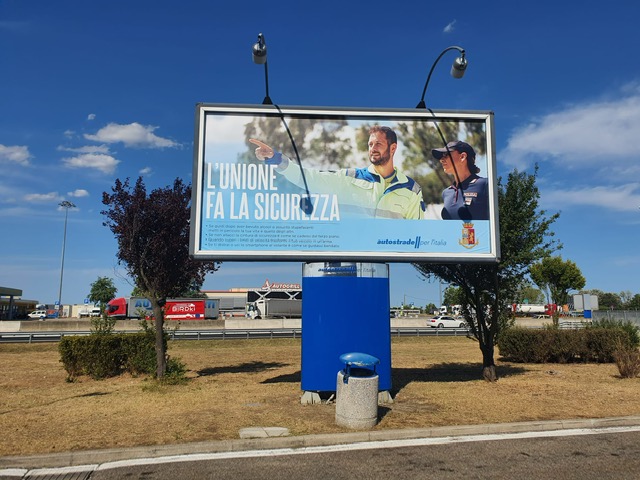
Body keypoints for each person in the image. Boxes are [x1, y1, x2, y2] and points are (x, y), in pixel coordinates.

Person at [249, 126, 426, 219]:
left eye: (378, 144)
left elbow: (417, 235)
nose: (372, 149)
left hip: (390, 270)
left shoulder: (411, 189)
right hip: (350, 265)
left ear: (393, 148)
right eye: (370, 145)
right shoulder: (349, 178)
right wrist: (276, 159)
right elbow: (309, 178)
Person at [431, 140, 489, 221]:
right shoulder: (446, 193)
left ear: (462, 157)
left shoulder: (485, 185)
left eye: (446, 155)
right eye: (441, 157)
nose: (441, 160)